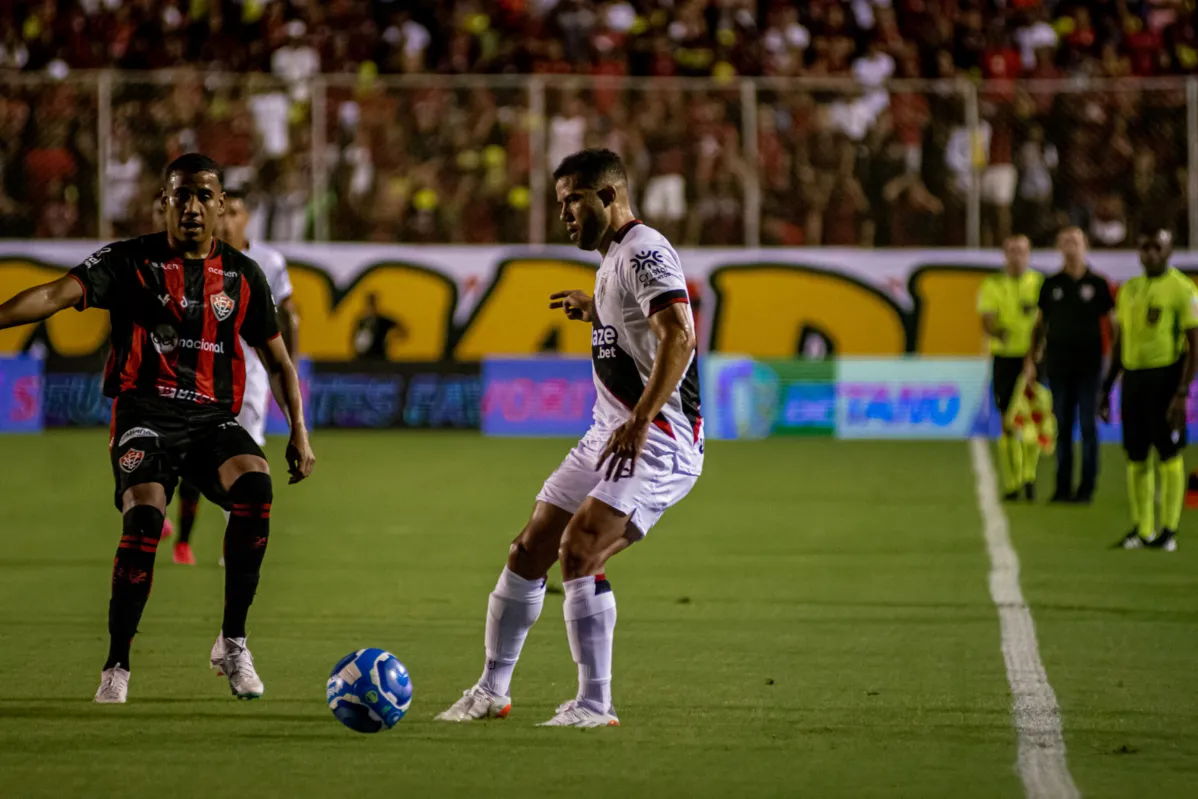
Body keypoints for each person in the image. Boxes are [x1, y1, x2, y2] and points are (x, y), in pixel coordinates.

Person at [0, 153, 315, 703]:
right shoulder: (128, 262)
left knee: (256, 488)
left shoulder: (243, 274)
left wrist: (299, 433)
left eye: (203, 196)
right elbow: (53, 295)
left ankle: (233, 641)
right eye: (181, 196)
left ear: (221, 206)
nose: (192, 207)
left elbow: (280, 362)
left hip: (213, 419)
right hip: (144, 415)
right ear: (163, 203)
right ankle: (116, 665)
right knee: (144, 520)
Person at [435, 148, 702, 727]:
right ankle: (491, 690)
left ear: (608, 196)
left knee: (580, 550)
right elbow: (639, 330)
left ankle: (594, 703)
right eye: (560, 205)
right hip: (608, 433)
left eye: (572, 201)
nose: (565, 216)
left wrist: (638, 420)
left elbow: (679, 337)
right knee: (528, 549)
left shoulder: (645, 251)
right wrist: (600, 313)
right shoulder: (612, 260)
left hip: (654, 438)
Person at [173, 188, 299, 567]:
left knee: (244, 454)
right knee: (191, 456)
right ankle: (172, 525)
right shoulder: (194, 255)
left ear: (246, 218)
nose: (227, 221)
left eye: (236, 213)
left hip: (249, 374)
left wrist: (291, 365)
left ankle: (236, 544)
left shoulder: (266, 261)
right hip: (196, 373)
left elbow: (289, 314)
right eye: (224, 213)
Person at [1102, 230, 1198, 551]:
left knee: (1169, 455)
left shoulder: (1183, 288)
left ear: (1170, 250)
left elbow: (1194, 345)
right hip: (1133, 380)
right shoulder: (1128, 289)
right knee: (1136, 456)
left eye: (1157, 247)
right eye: (1145, 247)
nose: (1150, 253)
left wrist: (1182, 392)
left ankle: (1168, 531)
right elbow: (1119, 343)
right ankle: (1143, 530)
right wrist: (1106, 389)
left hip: (1166, 379)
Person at [1026, 227, 1115, 503]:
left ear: (1085, 245)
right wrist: (1032, 360)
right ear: (1058, 248)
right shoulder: (1051, 284)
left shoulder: (1098, 284)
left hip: (1089, 367)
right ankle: (1062, 487)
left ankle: (1087, 487)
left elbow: (1113, 326)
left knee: (1088, 425)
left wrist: (1113, 365)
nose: (1070, 247)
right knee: (1062, 426)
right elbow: (1039, 326)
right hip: (1058, 366)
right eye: (1065, 242)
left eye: (1075, 242)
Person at [978, 234, 1043, 500]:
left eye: (1021, 251)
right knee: (1008, 420)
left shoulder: (1039, 284)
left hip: (1033, 360)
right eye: (1012, 251)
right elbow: (987, 319)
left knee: (1032, 418)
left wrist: (1034, 358)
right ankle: (1013, 481)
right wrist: (998, 330)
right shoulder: (993, 284)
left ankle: (1029, 476)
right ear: (1005, 254)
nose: (1017, 256)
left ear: (1028, 254)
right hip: (1004, 359)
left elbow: (1044, 324)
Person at [353, 292, 405, 360]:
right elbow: (356, 339)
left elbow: (402, 329)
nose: (370, 307)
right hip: (364, 358)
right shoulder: (362, 321)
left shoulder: (382, 320)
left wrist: (392, 338)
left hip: (379, 357)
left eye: (372, 303)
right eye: (369, 304)